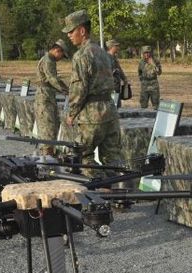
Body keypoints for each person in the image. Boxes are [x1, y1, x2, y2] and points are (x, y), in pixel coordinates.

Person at [62, 10, 122, 178]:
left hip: (91, 114)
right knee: (112, 158)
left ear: (82, 31)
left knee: (82, 156)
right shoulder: (103, 52)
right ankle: (118, 190)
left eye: (71, 31)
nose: (68, 35)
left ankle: (96, 188)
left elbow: (79, 88)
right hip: (109, 110)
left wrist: (71, 113)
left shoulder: (81, 55)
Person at [35, 40, 69, 156]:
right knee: (47, 128)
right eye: (62, 55)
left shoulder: (49, 59)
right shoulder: (48, 60)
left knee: (53, 125)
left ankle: (49, 155)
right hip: (45, 98)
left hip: (48, 96)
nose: (61, 58)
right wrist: (66, 91)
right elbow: (52, 79)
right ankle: (47, 156)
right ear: (57, 50)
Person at [105, 40, 129, 108]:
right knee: (113, 106)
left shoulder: (114, 57)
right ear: (111, 47)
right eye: (116, 46)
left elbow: (119, 69)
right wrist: (114, 71)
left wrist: (124, 79)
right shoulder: (106, 57)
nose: (118, 47)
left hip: (116, 86)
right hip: (111, 86)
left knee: (117, 105)